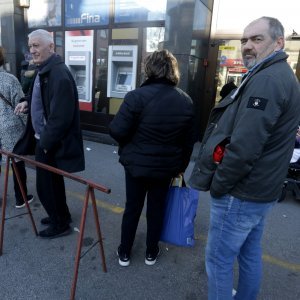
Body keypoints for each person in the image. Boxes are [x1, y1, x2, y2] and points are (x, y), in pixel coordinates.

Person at [189, 16, 300, 300]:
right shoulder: (275, 74)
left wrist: (220, 184)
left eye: (256, 39)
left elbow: (244, 147)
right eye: (244, 40)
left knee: (218, 260)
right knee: (249, 253)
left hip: (241, 192)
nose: (247, 46)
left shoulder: (268, 79)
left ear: (278, 42)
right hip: (259, 190)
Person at [109, 49, 195, 267]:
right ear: (173, 70)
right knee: (156, 209)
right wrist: (180, 167)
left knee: (132, 208)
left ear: (148, 69)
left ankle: (125, 253)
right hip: (166, 168)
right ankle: (151, 252)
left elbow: (117, 131)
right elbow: (188, 141)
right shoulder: (186, 101)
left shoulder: (136, 96)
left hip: (136, 166)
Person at [14, 29, 85, 239]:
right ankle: (61, 215)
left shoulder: (59, 74)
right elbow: (38, 95)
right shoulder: (44, 68)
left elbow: (61, 117)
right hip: (44, 139)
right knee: (52, 183)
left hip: (48, 142)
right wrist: (26, 102)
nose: (32, 51)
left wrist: (44, 143)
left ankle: (59, 224)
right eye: (30, 47)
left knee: (46, 187)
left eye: (36, 46)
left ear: (51, 47)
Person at [0, 46, 34, 209]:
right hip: (9, 127)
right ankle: (21, 198)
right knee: (17, 162)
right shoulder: (9, 80)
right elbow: (22, 106)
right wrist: (29, 128)